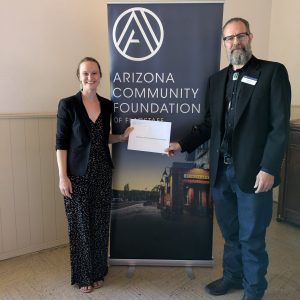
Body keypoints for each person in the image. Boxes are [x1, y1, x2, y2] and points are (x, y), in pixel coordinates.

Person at [166, 18, 291, 300]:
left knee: (251, 237)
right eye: (229, 38)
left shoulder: (272, 73)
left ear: (250, 37)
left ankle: (254, 290)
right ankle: (233, 277)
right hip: (222, 173)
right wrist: (181, 143)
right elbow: (208, 125)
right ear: (224, 44)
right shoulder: (216, 80)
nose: (235, 42)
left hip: (254, 173)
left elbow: (279, 127)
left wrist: (269, 167)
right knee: (231, 233)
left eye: (240, 36)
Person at [56, 57, 132, 293]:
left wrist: (121, 137)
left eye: (94, 73)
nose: (90, 77)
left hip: (101, 172)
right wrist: (62, 176)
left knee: (99, 224)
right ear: (78, 76)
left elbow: (103, 137)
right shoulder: (67, 104)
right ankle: (83, 276)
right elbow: (61, 143)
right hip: (76, 175)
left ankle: (98, 271)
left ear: (100, 76)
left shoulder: (108, 105)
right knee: (80, 225)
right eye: (85, 73)